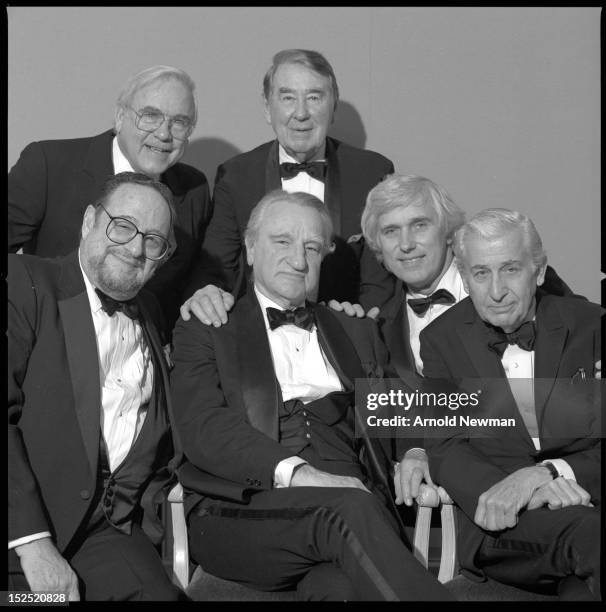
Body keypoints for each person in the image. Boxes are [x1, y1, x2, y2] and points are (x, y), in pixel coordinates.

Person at [170, 190, 453, 601]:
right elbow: (203, 427)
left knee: (336, 588)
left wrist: (414, 451)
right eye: (282, 242)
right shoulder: (207, 325)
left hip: (352, 512)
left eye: (312, 248)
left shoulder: (356, 330)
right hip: (241, 509)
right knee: (350, 509)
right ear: (250, 249)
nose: (299, 260)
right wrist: (300, 473)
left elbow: (393, 414)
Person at [8, 172, 186, 601]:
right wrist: (32, 543)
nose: (134, 248)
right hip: (21, 534)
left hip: (107, 531)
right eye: (122, 225)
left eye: (153, 240)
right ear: (89, 221)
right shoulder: (25, 281)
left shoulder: (151, 311)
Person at [419, 208, 602, 599]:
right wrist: (512, 492)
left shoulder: (590, 324)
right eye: (481, 273)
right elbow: (445, 446)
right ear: (465, 278)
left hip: (585, 499)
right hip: (501, 526)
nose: (497, 290)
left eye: (511, 270)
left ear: (538, 271)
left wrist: (550, 473)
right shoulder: (441, 340)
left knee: (579, 588)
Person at [186, 48, 394, 325]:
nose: (301, 113)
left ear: (333, 106)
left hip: (348, 337)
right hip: (262, 340)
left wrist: (363, 336)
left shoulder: (372, 172)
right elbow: (216, 270)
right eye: (287, 97)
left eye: (314, 97)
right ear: (267, 108)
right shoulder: (236, 175)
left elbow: (379, 282)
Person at [8, 65, 212, 334]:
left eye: (179, 122)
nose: (164, 134)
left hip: (147, 359)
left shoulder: (193, 190)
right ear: (119, 117)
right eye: (150, 116)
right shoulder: (49, 164)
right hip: (55, 349)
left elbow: (196, 279)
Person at [361, 174, 577, 378]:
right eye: (390, 231)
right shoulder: (378, 325)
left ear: (448, 231)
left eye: (419, 226)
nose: (406, 244)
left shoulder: (518, 272)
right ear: (377, 244)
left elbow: (584, 329)